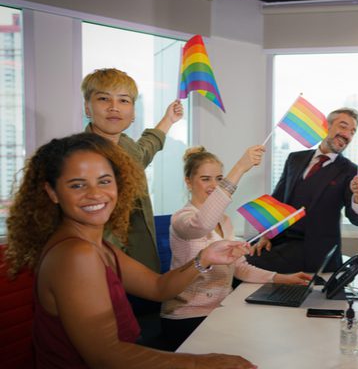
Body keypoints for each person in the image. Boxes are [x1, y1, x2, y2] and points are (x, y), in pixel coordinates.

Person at [3, 132, 256, 369]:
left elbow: (158, 288)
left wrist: (204, 258)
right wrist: (202, 363)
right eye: (77, 185)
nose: (95, 194)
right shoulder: (75, 255)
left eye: (104, 181)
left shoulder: (96, 246)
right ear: (52, 193)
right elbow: (105, 355)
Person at [161, 145, 312, 348]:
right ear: (188, 182)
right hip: (187, 316)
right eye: (205, 179)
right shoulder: (182, 219)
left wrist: (281, 278)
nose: (214, 185)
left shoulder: (224, 221)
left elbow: (240, 267)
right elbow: (202, 224)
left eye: (219, 179)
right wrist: (241, 166)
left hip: (221, 309)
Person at [82, 68, 183, 273]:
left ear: (133, 112)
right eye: (104, 99)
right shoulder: (79, 157)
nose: (114, 108)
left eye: (123, 101)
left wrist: (168, 120)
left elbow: (145, 151)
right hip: (100, 264)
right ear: (87, 108)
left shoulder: (126, 146)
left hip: (139, 259)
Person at [247, 107, 358, 273]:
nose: (347, 135)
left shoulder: (350, 171)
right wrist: (266, 234)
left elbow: (357, 219)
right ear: (326, 126)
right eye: (343, 126)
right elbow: (277, 201)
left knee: (245, 264)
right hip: (280, 241)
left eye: (352, 132)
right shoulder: (294, 159)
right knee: (239, 256)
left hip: (315, 253)